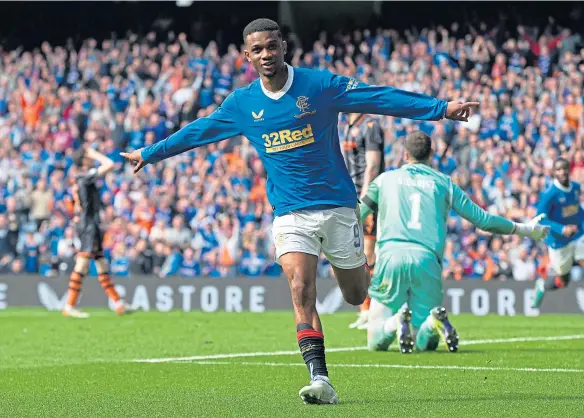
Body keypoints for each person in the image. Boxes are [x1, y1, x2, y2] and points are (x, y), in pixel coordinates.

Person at [121, 18, 480, 405]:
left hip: (339, 207)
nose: (266, 55)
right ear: (247, 56)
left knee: (356, 295)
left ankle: (388, 317)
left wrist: (441, 108)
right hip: (290, 213)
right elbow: (198, 131)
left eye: (272, 46)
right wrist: (150, 153)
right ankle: (320, 378)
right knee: (299, 288)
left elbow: (379, 97)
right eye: (257, 50)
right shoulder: (243, 104)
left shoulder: (320, 86)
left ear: (283, 47)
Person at [358, 131, 550, 354]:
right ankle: (432, 323)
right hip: (427, 260)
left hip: (390, 258)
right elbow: (483, 220)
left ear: (404, 154)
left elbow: (357, 214)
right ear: (431, 154)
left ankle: (395, 322)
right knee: (423, 342)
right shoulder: (444, 184)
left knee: (375, 342)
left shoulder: (384, 180)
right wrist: (525, 229)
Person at [62, 147, 133, 318]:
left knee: (101, 263)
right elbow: (109, 164)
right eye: (89, 157)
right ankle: (69, 305)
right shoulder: (85, 177)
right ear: (84, 160)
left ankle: (118, 303)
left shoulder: (79, 179)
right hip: (88, 226)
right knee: (83, 263)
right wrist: (94, 153)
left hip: (90, 224)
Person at [341, 113, 384, 330]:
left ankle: (375, 309)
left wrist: (366, 197)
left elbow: (373, 165)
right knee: (355, 253)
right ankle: (365, 311)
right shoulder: (346, 124)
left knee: (368, 251)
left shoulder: (370, 125)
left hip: (368, 197)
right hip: (349, 195)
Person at [532, 158, 584, 308]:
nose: (562, 172)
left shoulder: (575, 187)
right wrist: (561, 229)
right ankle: (542, 286)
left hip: (578, 235)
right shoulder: (550, 194)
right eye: (558, 169)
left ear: (569, 169)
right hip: (558, 242)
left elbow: (576, 209)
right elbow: (540, 219)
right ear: (554, 172)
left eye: (564, 168)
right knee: (563, 281)